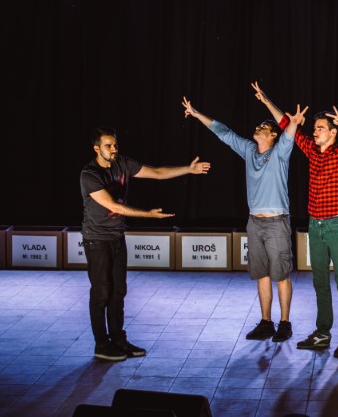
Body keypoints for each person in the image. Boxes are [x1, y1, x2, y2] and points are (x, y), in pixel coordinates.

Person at [182, 90, 307, 343]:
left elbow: (289, 131)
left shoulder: (280, 151)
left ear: (273, 135)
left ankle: (284, 323)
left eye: (263, 127)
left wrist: (283, 115)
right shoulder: (249, 150)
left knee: (281, 275)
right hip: (255, 222)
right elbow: (224, 133)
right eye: (258, 126)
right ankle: (266, 322)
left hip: (276, 222)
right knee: (262, 274)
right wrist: (196, 114)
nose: (257, 128)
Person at [254, 83, 338, 358]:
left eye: (320, 128)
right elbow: (287, 125)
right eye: (315, 128)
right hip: (315, 226)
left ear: (332, 132)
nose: (315, 132)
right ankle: (323, 332)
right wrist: (266, 100)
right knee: (320, 282)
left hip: (337, 226)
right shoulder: (311, 151)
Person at [80, 127, 210, 361]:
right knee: (101, 292)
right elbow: (114, 206)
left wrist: (188, 169)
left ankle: (118, 340)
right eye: (108, 146)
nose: (114, 149)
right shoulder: (89, 174)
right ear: (96, 148)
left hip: (116, 236)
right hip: (97, 239)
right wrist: (148, 215)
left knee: (118, 291)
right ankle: (102, 344)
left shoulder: (122, 164)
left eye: (115, 145)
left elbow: (157, 173)